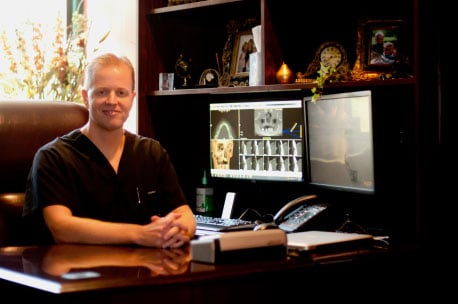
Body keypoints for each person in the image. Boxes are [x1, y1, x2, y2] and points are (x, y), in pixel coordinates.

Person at [23, 53, 196, 248]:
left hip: (143, 272)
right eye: (102, 92)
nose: (112, 101)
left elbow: (186, 215)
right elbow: (61, 228)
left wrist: (178, 230)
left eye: (121, 93)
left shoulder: (151, 152)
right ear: (85, 98)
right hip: (77, 274)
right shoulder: (54, 157)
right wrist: (139, 234)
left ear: (132, 98)